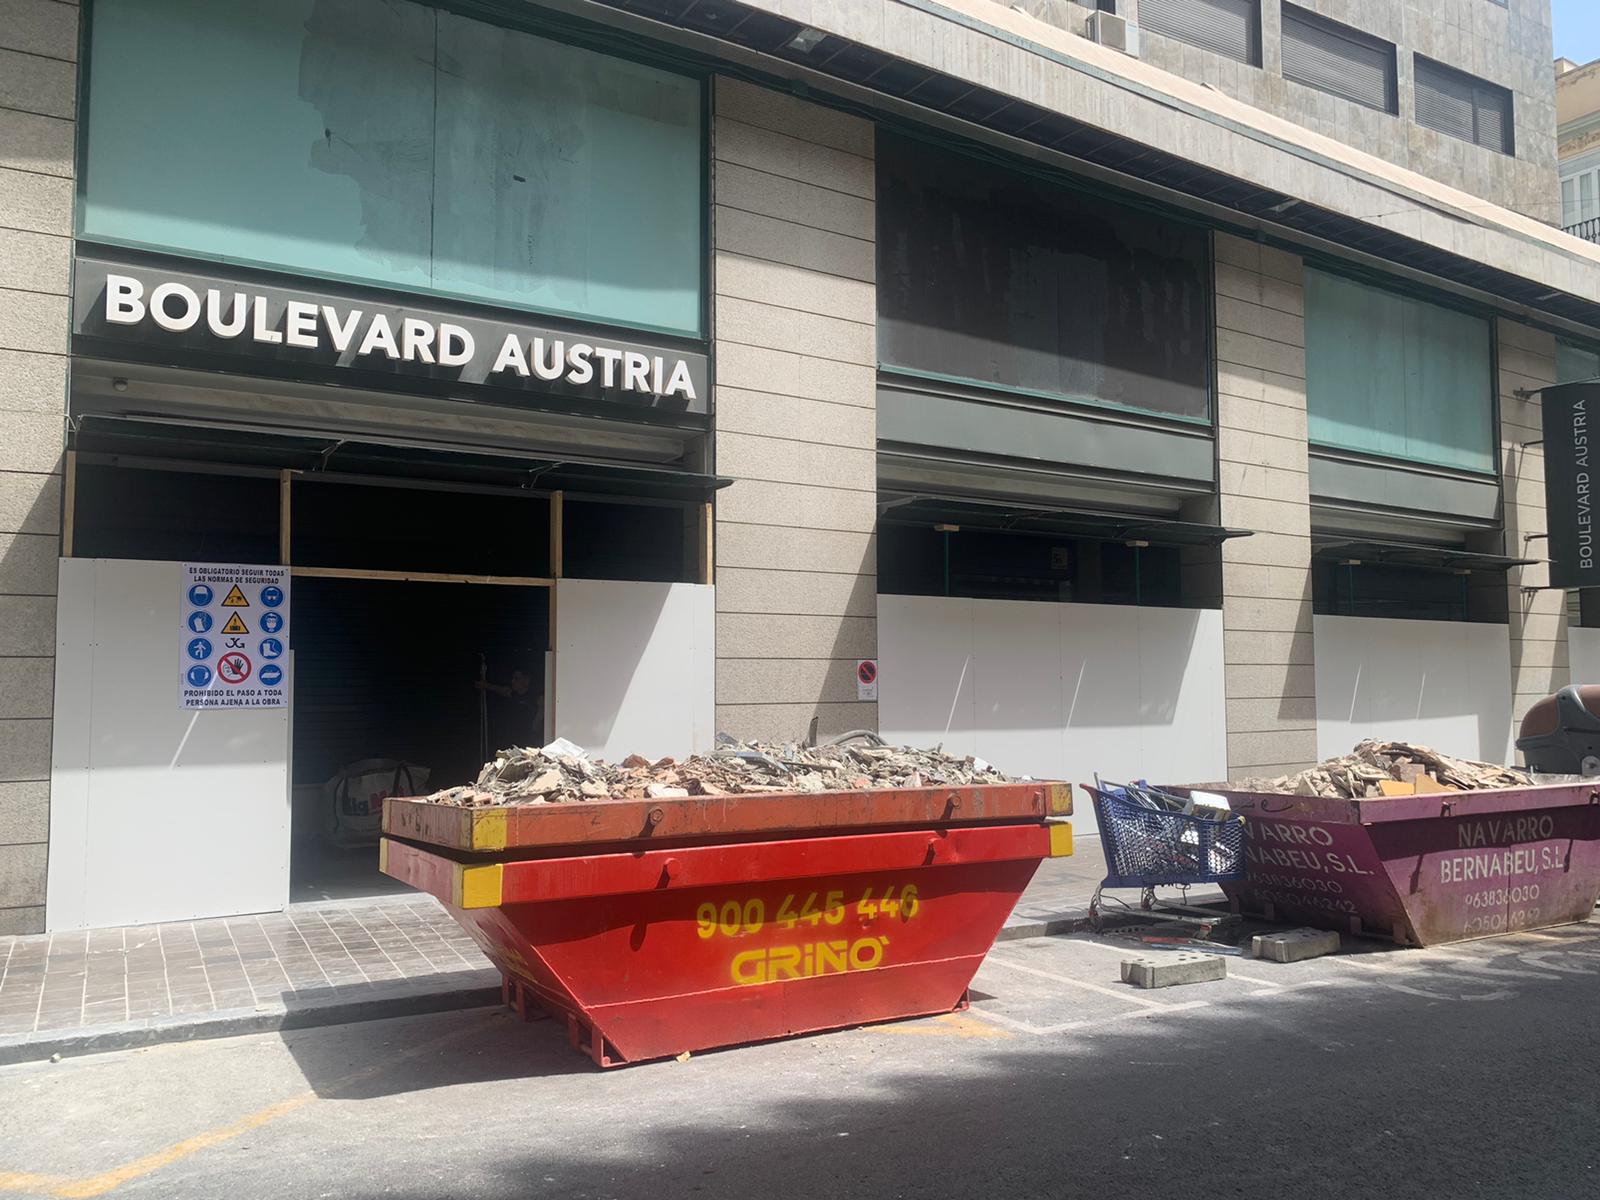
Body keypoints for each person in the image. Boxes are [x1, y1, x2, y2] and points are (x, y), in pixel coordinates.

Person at [475, 661, 544, 750]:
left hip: (529, 741)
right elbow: (503, 690)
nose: (512, 681)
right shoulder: (515, 695)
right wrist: (485, 685)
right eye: (513, 678)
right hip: (513, 739)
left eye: (516, 678)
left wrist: (535, 725)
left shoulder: (536, 697)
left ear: (526, 680)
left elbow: (541, 712)